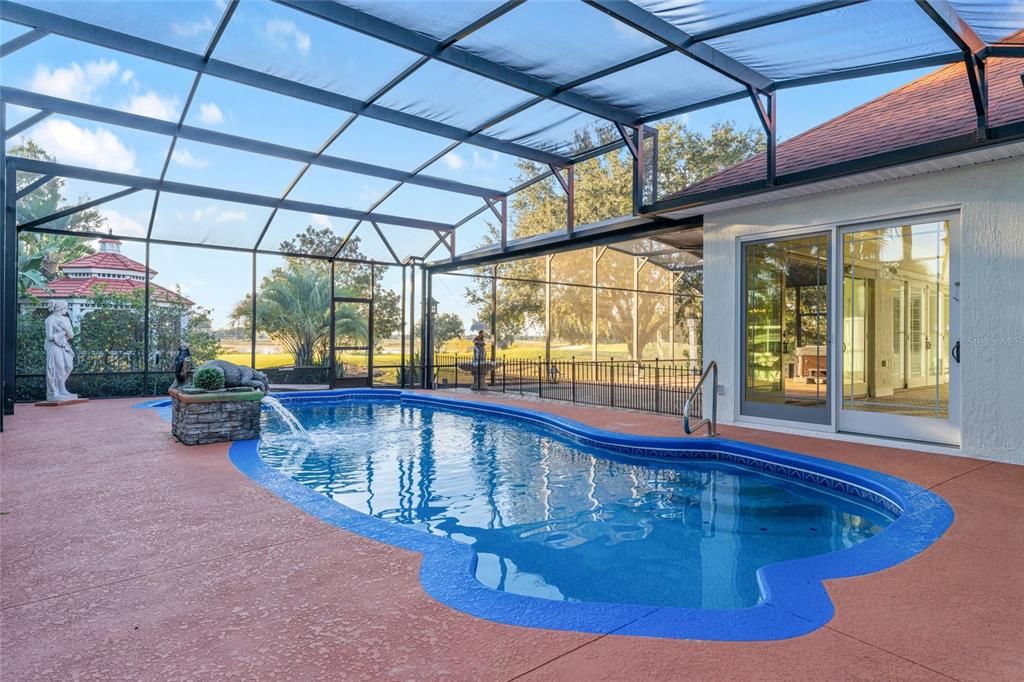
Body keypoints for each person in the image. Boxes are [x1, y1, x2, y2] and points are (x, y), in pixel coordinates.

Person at [44, 300, 78, 402]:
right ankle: (55, 391)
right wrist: (62, 333)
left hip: (64, 345)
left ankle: (62, 388)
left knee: (69, 366)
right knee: (57, 368)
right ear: (60, 308)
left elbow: (71, 335)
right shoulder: (50, 320)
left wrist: (65, 329)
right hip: (54, 346)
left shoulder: (66, 319)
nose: (66, 310)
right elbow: (49, 336)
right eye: (66, 307)